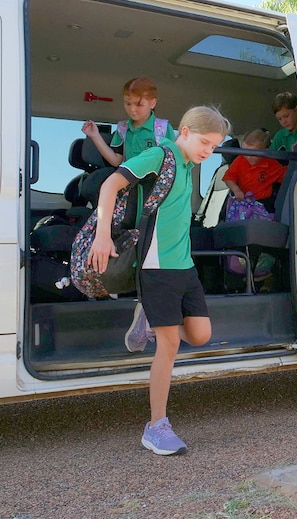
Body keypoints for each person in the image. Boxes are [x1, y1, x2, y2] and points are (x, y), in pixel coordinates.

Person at [88, 105, 231, 456]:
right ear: (183, 132)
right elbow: (110, 184)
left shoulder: (189, 165)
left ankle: (150, 317)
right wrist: (102, 235)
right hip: (156, 267)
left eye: (214, 147)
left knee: (200, 334)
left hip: (184, 267)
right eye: (204, 142)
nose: (207, 152)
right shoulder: (160, 154)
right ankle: (156, 426)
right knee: (170, 346)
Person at [81, 77, 175, 165]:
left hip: (156, 181)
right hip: (130, 181)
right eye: (128, 103)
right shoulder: (122, 129)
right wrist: (95, 136)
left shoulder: (163, 128)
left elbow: (175, 161)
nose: (132, 109)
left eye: (138, 105)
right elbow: (116, 161)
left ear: (152, 103)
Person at [222, 128, 287, 214]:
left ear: (265, 151)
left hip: (264, 205)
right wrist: (236, 189)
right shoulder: (240, 160)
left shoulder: (271, 164)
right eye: (245, 152)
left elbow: (287, 175)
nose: (248, 157)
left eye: (253, 154)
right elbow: (228, 178)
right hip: (243, 203)